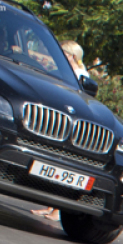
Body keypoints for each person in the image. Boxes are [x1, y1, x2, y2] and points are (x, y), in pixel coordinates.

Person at [32, 41, 91, 222]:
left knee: (64, 166)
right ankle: (50, 207)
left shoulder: (80, 75)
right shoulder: (67, 73)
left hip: (72, 127)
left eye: (63, 53)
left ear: (71, 56)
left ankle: (57, 210)